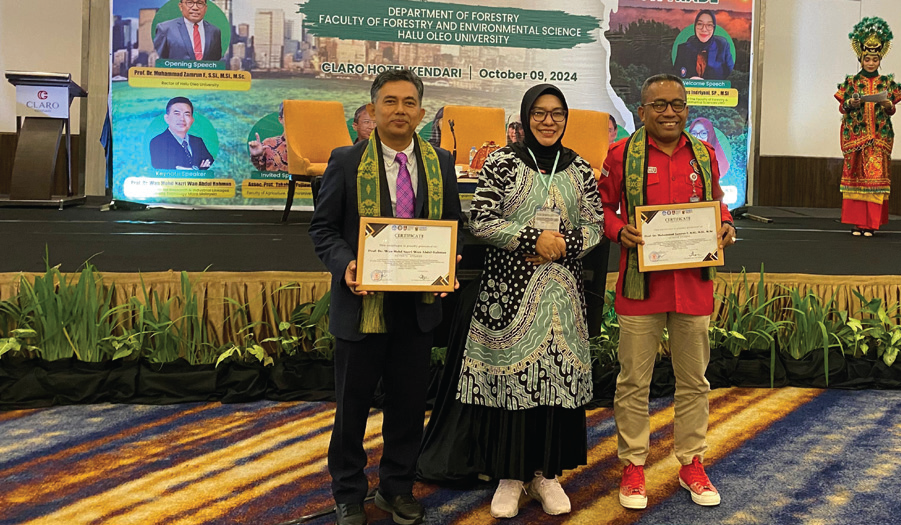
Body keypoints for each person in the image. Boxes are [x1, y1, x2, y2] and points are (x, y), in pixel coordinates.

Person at [308, 69, 461, 525]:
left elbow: (450, 226)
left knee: (409, 407)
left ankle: (395, 488)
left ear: (421, 111)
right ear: (372, 111)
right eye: (389, 102)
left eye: (408, 102)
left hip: (417, 310)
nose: (399, 110)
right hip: (361, 304)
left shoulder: (441, 163)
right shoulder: (345, 161)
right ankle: (349, 492)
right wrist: (346, 265)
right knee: (351, 408)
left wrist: (446, 267)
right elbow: (323, 230)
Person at [456, 84, 603, 519]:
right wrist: (529, 237)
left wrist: (562, 243)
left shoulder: (579, 167)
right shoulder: (502, 162)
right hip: (510, 295)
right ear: (525, 118)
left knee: (554, 383)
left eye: (557, 113)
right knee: (512, 387)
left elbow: (595, 224)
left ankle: (546, 475)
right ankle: (511, 476)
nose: (548, 121)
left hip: (561, 295)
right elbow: (480, 219)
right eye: (539, 113)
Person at [598, 74, 735, 510]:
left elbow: (717, 201)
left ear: (686, 110)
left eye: (677, 104)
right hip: (642, 287)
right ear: (642, 112)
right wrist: (620, 230)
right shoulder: (622, 154)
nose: (670, 112)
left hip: (692, 287)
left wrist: (727, 223)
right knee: (633, 382)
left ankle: (691, 461)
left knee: (694, 381)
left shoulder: (703, 154)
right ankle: (633, 465)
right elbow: (600, 206)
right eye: (659, 105)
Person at [835, 17, 901, 237]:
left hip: (878, 139)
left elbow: (892, 110)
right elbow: (842, 107)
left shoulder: (888, 83)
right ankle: (857, 223)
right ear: (860, 59)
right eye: (867, 59)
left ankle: (871, 225)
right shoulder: (851, 82)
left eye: (875, 59)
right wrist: (851, 103)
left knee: (875, 181)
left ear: (880, 59)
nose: (871, 63)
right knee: (855, 181)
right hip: (856, 138)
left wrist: (887, 104)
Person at [149, 96, 213, 170]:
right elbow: (163, 169)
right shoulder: (157, 142)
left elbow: (209, 162)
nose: (182, 119)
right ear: (167, 118)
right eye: (177, 114)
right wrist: (198, 168)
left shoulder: (198, 141)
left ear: (192, 120)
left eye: (187, 114)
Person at [672, 10, 735, 80]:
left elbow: (731, 76)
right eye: (700, 24)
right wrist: (689, 80)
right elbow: (676, 78)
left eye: (709, 25)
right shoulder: (683, 49)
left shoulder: (722, 46)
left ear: (714, 28)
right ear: (695, 26)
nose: (704, 29)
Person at [153, 0, 222, 61]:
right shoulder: (165, 29)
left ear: (205, 8)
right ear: (181, 6)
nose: (195, 7)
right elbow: (160, 61)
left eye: (200, 3)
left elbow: (216, 61)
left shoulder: (214, 32)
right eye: (190, 2)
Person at [248, 102, 288, 172]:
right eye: (288, 116)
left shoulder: (309, 145)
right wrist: (256, 156)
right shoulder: (268, 144)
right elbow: (261, 172)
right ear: (280, 119)